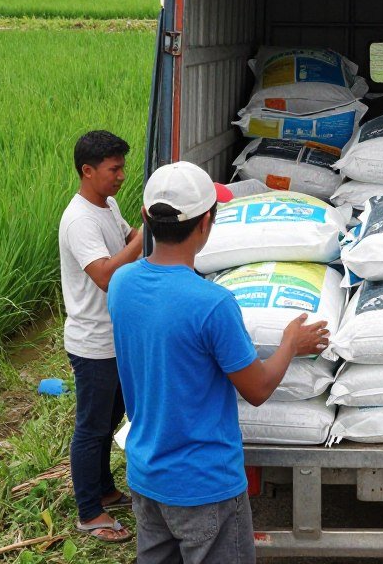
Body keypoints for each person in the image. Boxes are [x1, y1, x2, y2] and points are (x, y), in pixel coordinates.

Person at [108, 161, 330, 564]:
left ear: (144, 216)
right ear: (207, 223)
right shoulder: (213, 305)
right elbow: (258, 389)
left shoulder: (122, 284)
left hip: (146, 475)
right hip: (204, 485)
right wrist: (289, 344)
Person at [59, 130, 143, 543]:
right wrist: (145, 236)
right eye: (115, 169)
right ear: (87, 171)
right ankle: (89, 513)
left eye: (123, 167)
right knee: (92, 428)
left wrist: (149, 228)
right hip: (93, 344)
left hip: (115, 338)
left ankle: (105, 491)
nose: (122, 176)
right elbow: (106, 275)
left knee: (110, 420)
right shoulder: (79, 220)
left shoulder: (107, 204)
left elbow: (128, 240)